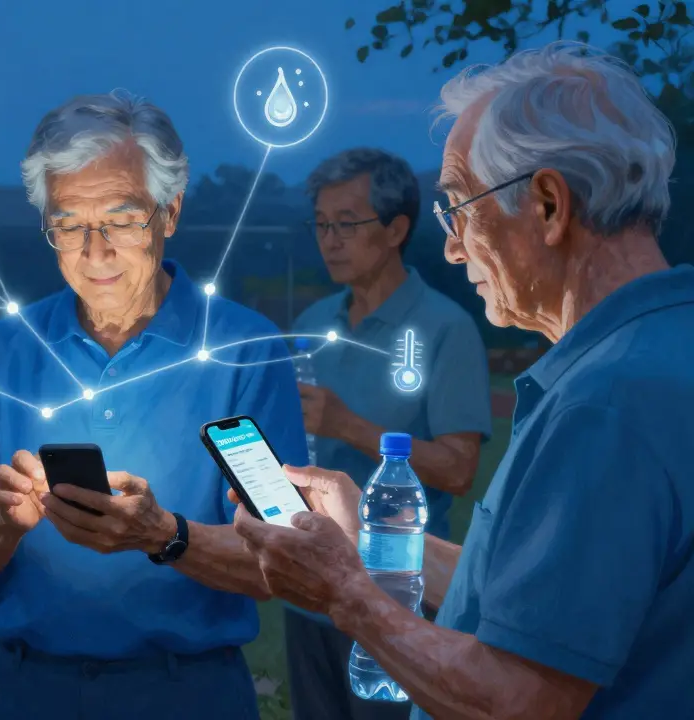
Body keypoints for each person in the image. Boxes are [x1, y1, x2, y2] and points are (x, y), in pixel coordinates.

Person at [233, 42, 694, 719]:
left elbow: (517, 702)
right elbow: (528, 605)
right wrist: (367, 537)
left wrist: (342, 593)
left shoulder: (605, 402)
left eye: (459, 208)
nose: (452, 246)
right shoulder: (661, 347)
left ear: (547, 205)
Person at [0, 90, 308, 720]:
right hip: (24, 692)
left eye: (122, 220)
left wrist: (163, 535)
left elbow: (284, 562)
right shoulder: (6, 349)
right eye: (70, 224)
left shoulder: (244, 351)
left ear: (170, 212)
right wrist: (5, 525)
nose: (94, 250)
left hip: (187, 694)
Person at [287, 147, 493, 720]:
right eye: (322, 224)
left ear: (397, 228)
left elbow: (458, 468)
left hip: (398, 598)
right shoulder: (311, 326)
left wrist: (347, 425)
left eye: (347, 223)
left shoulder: (445, 329)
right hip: (308, 593)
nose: (330, 240)